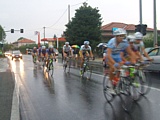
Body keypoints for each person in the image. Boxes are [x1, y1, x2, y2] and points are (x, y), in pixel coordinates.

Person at [105, 28, 136, 94]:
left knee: (120, 70)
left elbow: (131, 53)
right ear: (116, 36)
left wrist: (133, 61)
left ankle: (116, 83)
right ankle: (110, 83)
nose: (122, 38)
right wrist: (114, 63)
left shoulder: (124, 43)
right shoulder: (111, 42)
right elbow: (108, 55)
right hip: (110, 56)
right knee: (113, 67)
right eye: (121, 36)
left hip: (117, 56)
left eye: (123, 36)